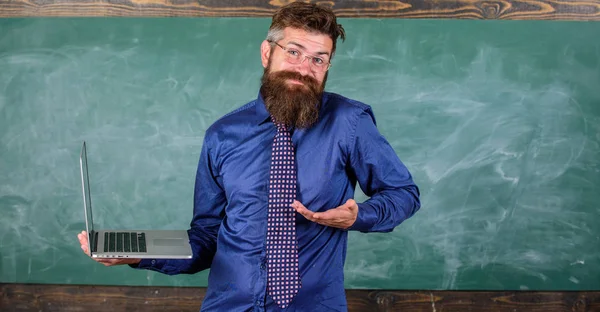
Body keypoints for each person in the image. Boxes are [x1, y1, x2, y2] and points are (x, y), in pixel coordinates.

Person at [77, 2, 420, 311]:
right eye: (294, 52)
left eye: (319, 59)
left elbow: (403, 194)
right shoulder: (222, 135)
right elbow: (206, 238)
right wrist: (138, 256)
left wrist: (359, 215)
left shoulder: (349, 122)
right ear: (266, 53)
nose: (304, 68)